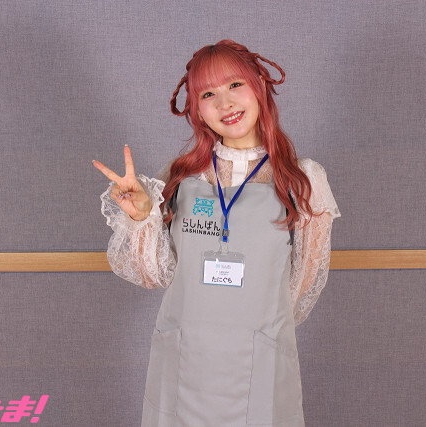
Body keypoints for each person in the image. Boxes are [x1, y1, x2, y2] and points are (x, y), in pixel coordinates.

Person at [93, 39, 340, 426]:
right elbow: (155, 273)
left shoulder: (303, 180)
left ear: (259, 85)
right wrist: (142, 217)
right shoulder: (179, 176)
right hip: (185, 359)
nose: (225, 103)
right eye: (208, 94)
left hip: (260, 360)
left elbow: (303, 282)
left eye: (235, 85)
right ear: (196, 108)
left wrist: (257, 326)